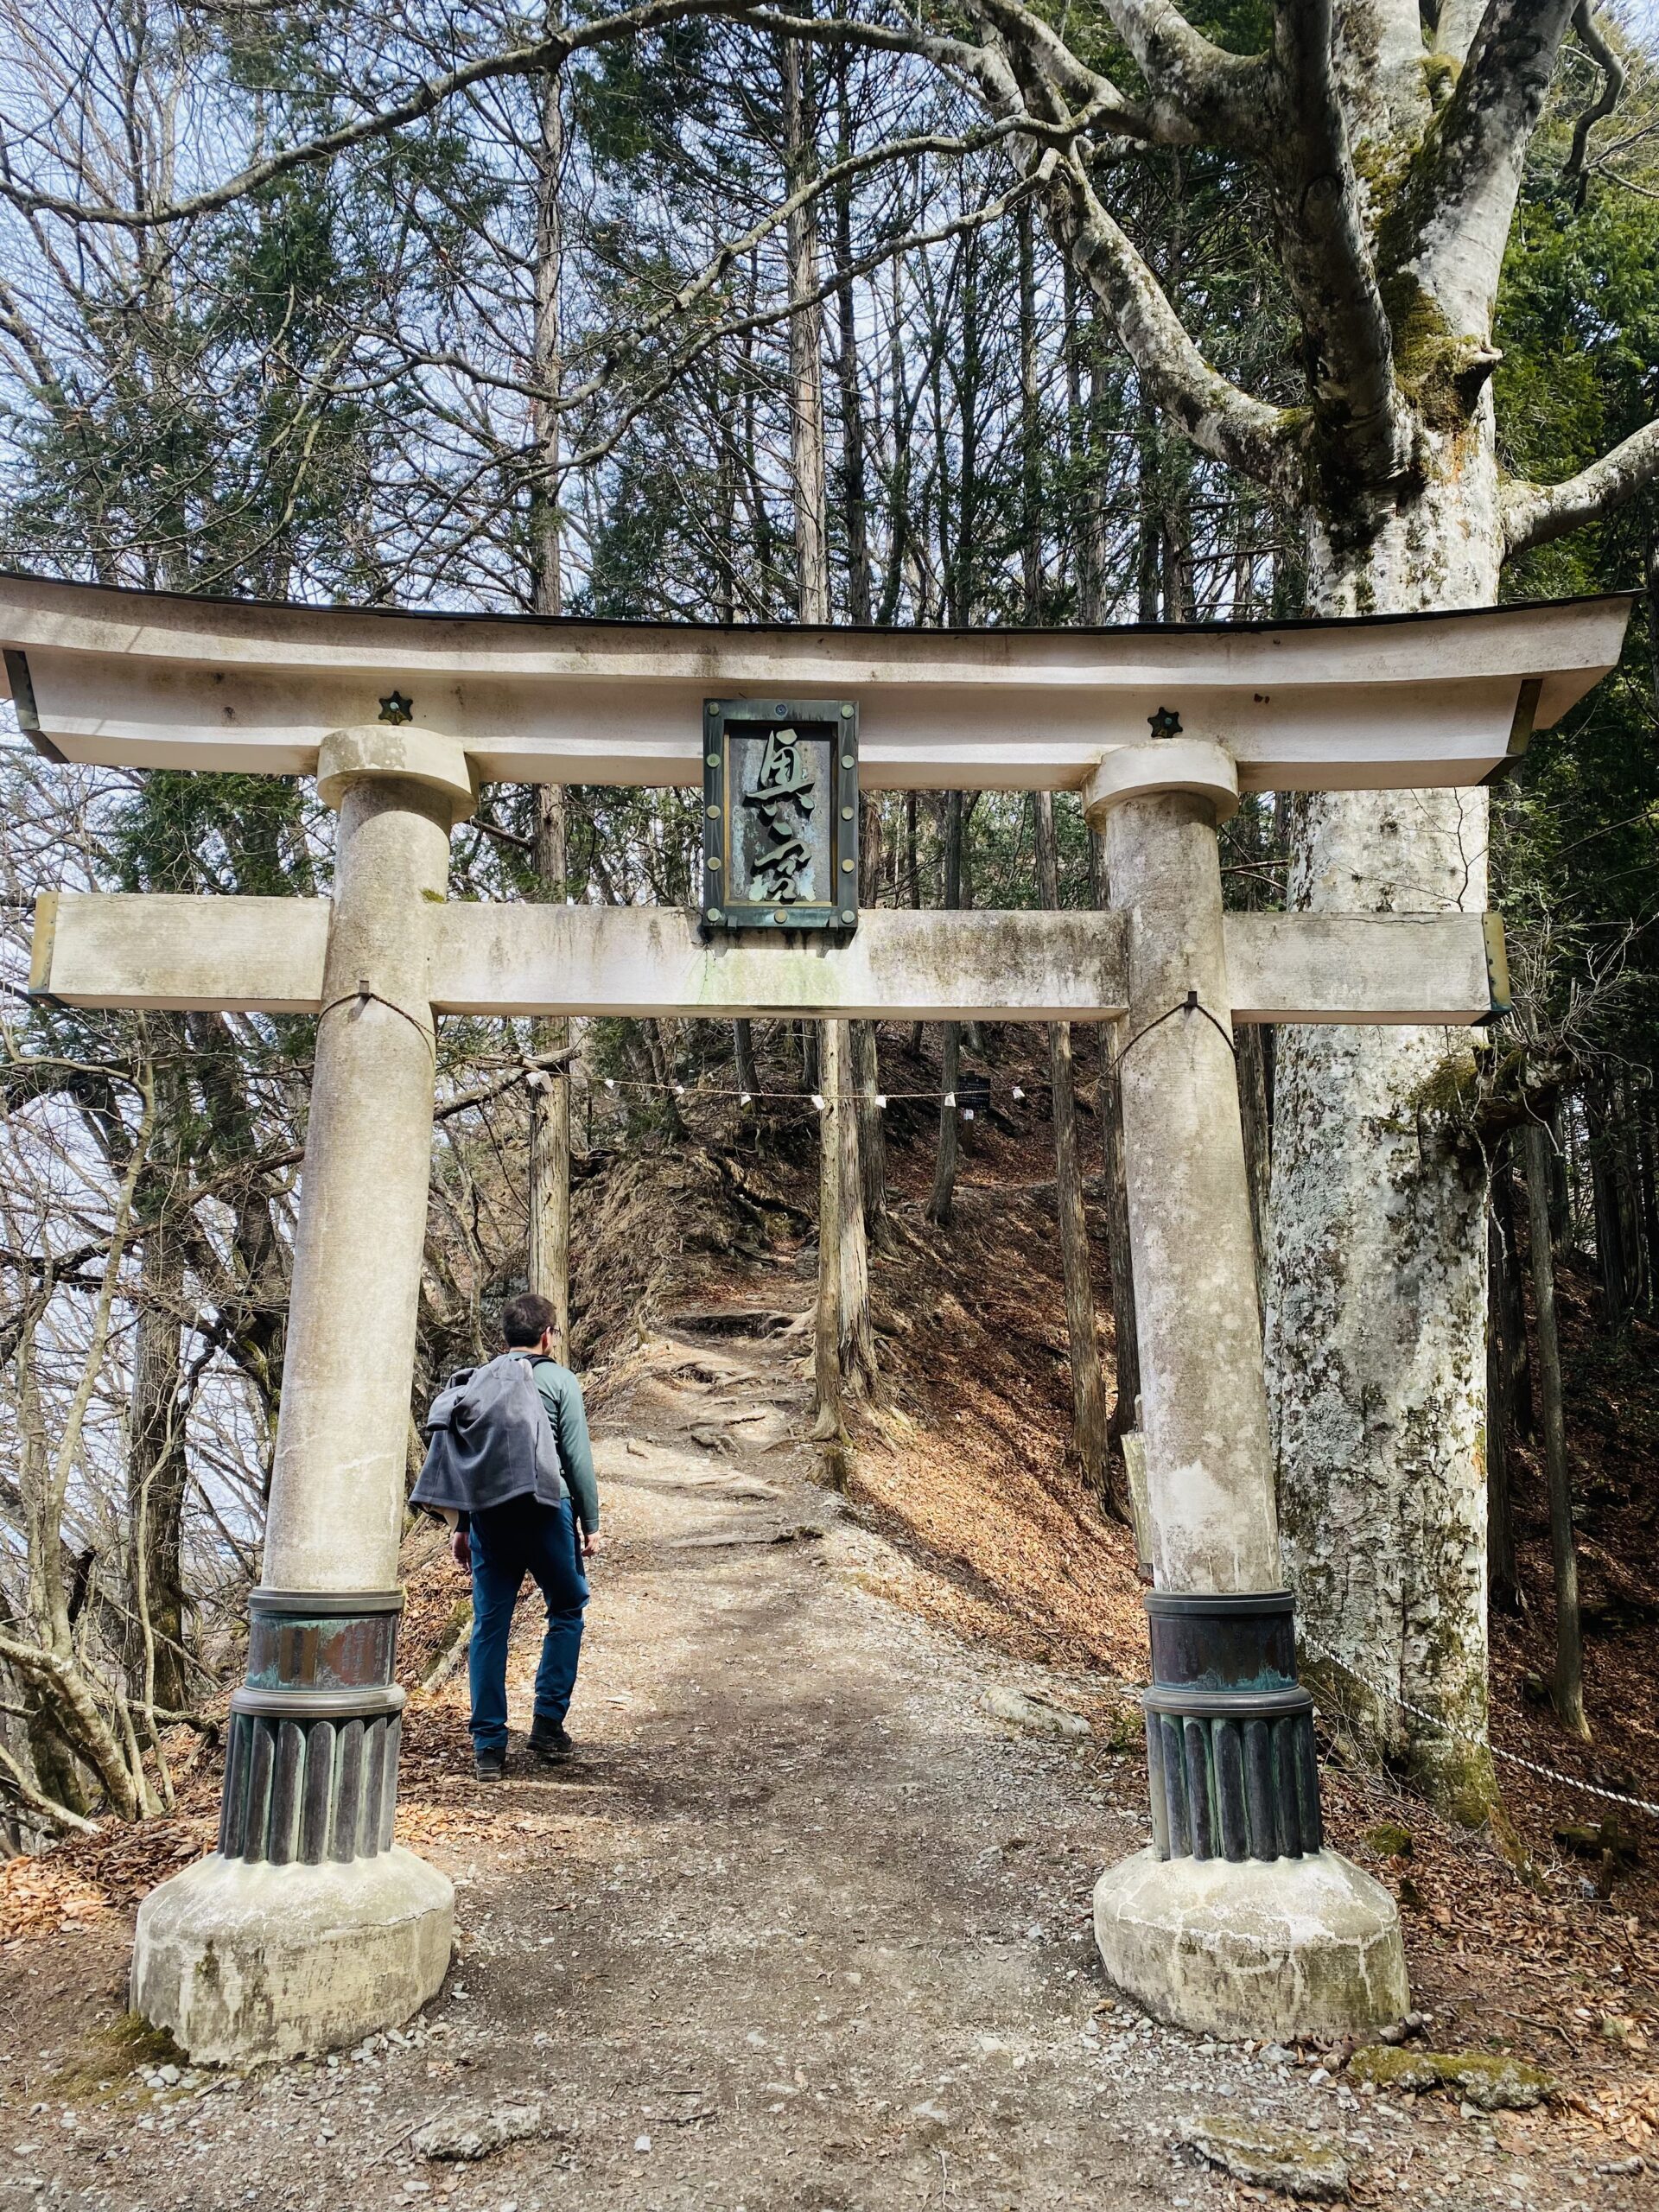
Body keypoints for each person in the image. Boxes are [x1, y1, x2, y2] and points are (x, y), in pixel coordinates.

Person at [442, 1293, 600, 1782]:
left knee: (490, 1627)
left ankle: (488, 1745)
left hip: (489, 1517)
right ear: (548, 1334)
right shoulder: (558, 1380)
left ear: (505, 1336)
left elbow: (469, 1460)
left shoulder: (480, 1380)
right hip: (547, 1512)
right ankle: (547, 1725)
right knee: (567, 1608)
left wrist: (464, 1526)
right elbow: (575, 1458)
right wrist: (590, 1522)